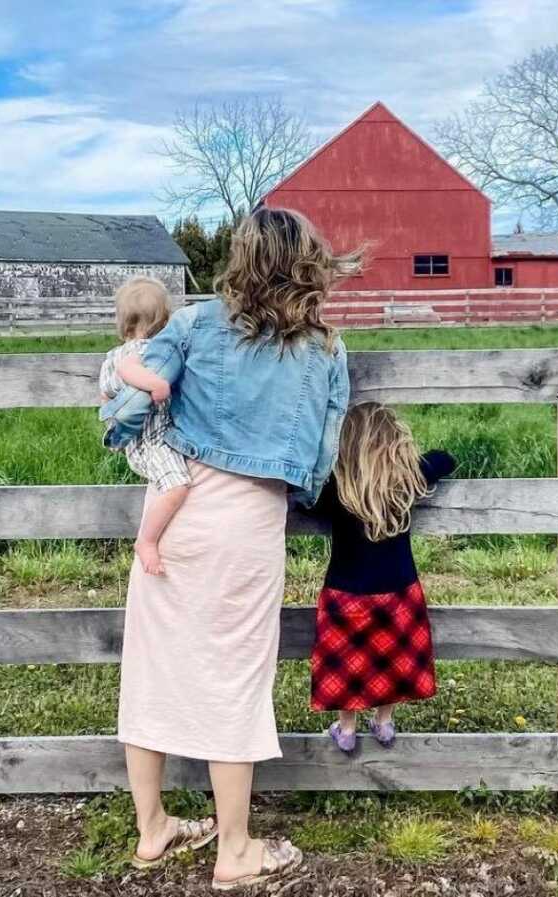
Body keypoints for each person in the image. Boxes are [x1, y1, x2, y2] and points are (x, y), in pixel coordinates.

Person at [107, 207, 358, 890]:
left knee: (151, 668)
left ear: (240, 258)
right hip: (247, 521)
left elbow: (125, 411)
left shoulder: (189, 323)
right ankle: (236, 847)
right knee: (235, 679)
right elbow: (320, 459)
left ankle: (152, 825)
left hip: (177, 503)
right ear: (307, 263)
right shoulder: (326, 349)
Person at [309, 402, 456, 754]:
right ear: (395, 444)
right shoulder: (408, 478)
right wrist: (409, 462)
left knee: (347, 663)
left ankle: (346, 728)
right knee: (390, 659)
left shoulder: (337, 488)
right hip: (399, 594)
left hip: (346, 595)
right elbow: (446, 458)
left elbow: (304, 501)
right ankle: (384, 721)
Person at [99, 277, 189, 575]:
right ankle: (147, 541)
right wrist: (157, 384)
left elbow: (105, 397)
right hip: (152, 441)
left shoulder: (111, 356)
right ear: (163, 318)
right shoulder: (143, 349)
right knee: (178, 486)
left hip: (143, 439)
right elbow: (129, 370)